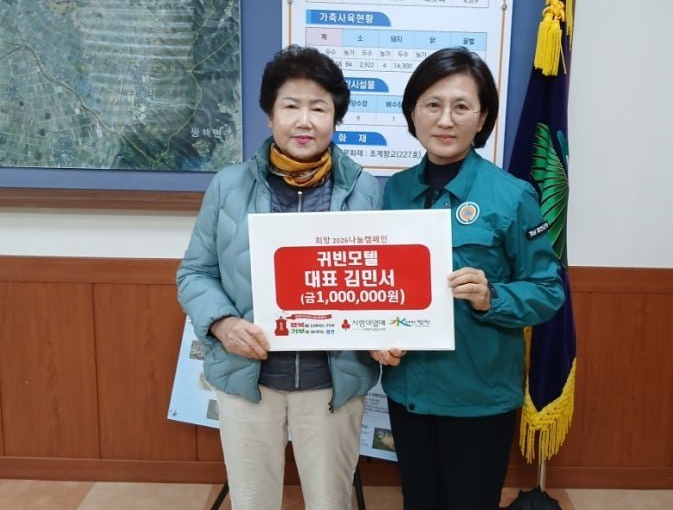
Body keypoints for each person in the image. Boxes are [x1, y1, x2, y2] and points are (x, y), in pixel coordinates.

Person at [177, 45, 382, 510]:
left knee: (330, 502)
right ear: (270, 115)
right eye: (291, 106)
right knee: (253, 501)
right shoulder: (228, 186)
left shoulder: (363, 190)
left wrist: (386, 330)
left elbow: (376, 281)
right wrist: (222, 323)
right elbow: (195, 272)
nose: (304, 121)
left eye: (319, 108)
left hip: (332, 382)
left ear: (335, 118)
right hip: (250, 380)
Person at [370, 47, 565, 510]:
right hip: (409, 389)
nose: (445, 120)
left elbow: (548, 290)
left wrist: (491, 295)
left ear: (483, 119)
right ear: (412, 113)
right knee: (419, 501)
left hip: (479, 396)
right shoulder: (395, 191)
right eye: (432, 104)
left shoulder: (513, 196)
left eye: (461, 106)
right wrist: (375, 334)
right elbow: (381, 285)